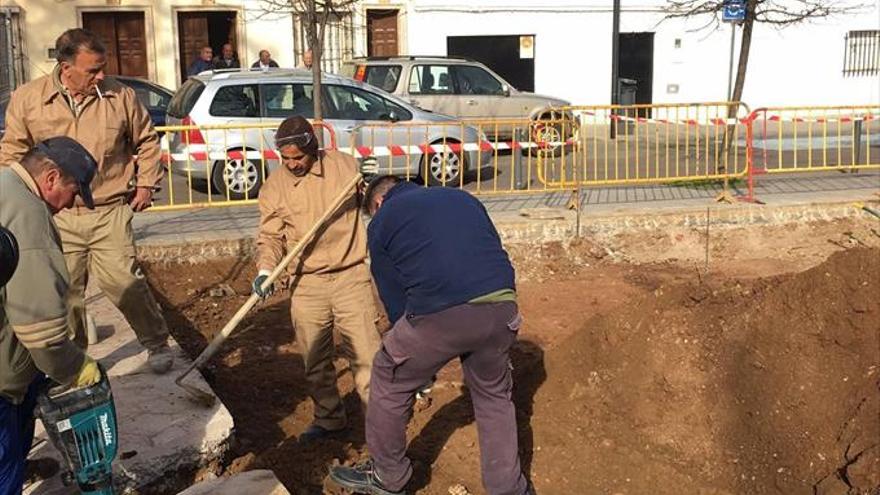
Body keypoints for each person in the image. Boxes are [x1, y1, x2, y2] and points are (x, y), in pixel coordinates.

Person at [329, 176, 533, 495]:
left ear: (378, 203)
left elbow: (394, 294)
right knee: (494, 396)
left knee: (387, 374)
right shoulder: (463, 198)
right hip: (501, 308)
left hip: (440, 315)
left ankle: (388, 475)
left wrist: (411, 357)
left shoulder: (383, 219)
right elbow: (489, 249)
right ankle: (509, 489)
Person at [0, 28, 174, 373]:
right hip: (56, 215)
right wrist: (20, 201)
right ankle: (75, 358)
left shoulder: (120, 97)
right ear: (66, 68)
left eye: (102, 67)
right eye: (93, 69)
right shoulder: (29, 99)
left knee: (124, 281)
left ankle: (156, 343)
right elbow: (13, 152)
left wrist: (146, 184)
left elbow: (148, 142)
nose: (101, 76)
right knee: (66, 292)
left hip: (108, 208)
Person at [253, 116, 381, 442]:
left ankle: (379, 429)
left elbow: (374, 201)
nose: (293, 164)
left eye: (299, 157)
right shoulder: (274, 188)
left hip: (350, 276)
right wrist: (266, 269)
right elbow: (270, 237)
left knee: (366, 357)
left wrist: (371, 182)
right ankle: (329, 419)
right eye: (286, 159)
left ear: (313, 148)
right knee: (315, 361)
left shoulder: (345, 168)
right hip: (306, 284)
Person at [0, 137, 104, 494]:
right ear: (51, 177)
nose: (74, 202)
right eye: (75, 190)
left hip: (10, 366)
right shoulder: (28, 217)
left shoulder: (6, 185)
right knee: (3, 463)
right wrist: (76, 368)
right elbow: (40, 332)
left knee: (19, 424)